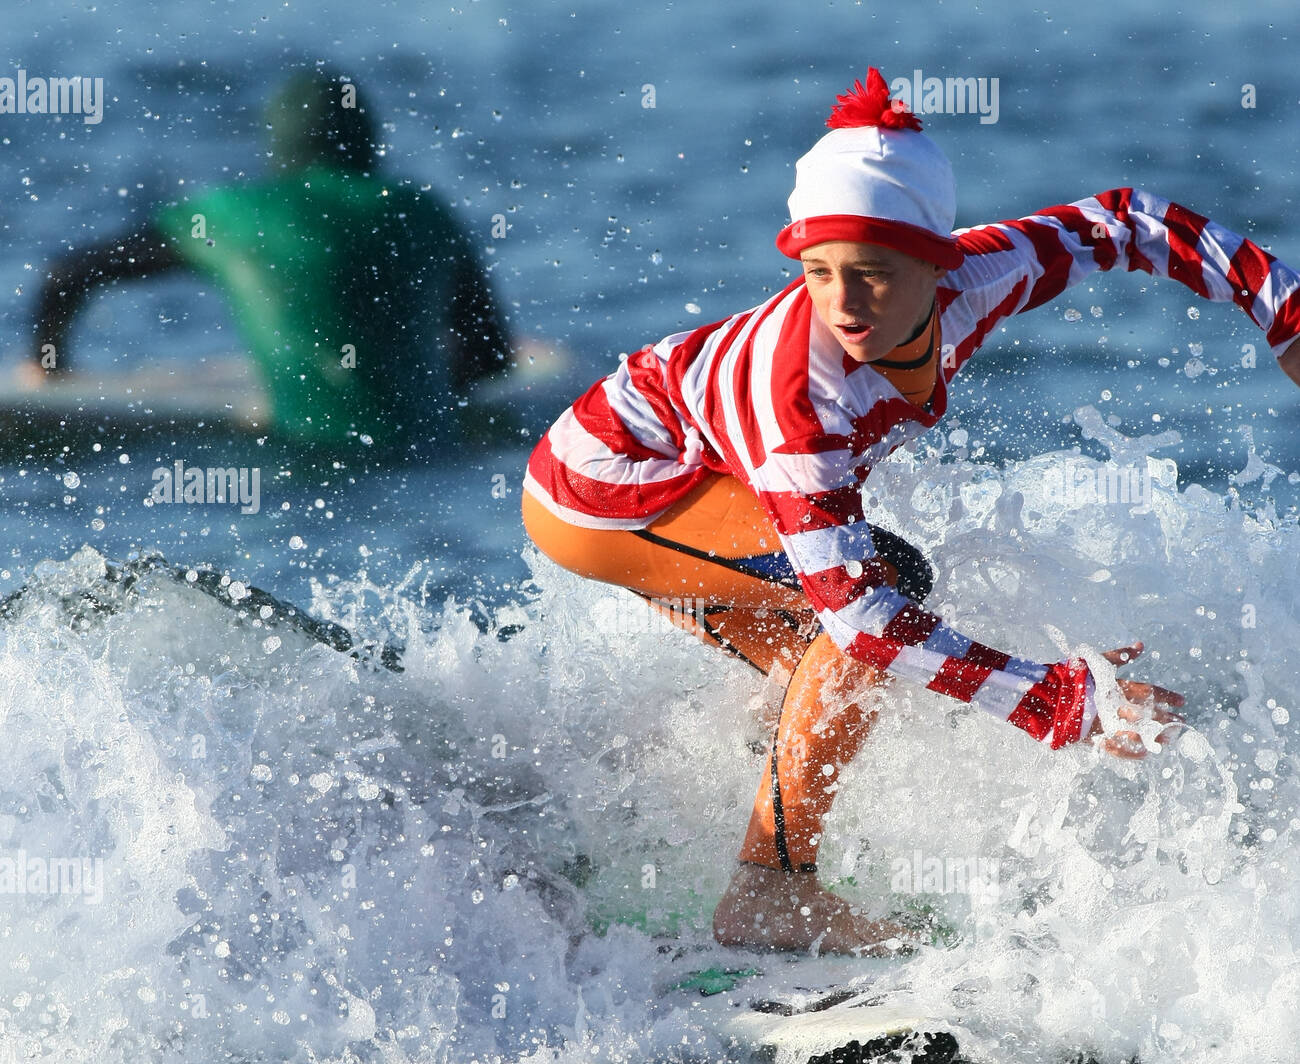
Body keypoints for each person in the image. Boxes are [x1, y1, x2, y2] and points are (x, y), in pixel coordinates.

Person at [522, 68, 1300, 955]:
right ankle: (770, 891)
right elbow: (862, 617)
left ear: (937, 261)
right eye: (817, 274)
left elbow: (1128, 220)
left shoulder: (986, 273)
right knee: (873, 600)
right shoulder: (800, 398)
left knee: (817, 670)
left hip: (692, 469)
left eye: (872, 274)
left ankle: (663, 804)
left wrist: (1286, 314)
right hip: (607, 487)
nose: (843, 304)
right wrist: (1055, 700)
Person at [24, 68, 510, 448]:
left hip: (301, 455)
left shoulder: (235, 215)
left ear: (278, 139)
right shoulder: (424, 210)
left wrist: (47, 367)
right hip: (435, 455)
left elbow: (68, 274)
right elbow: (490, 356)